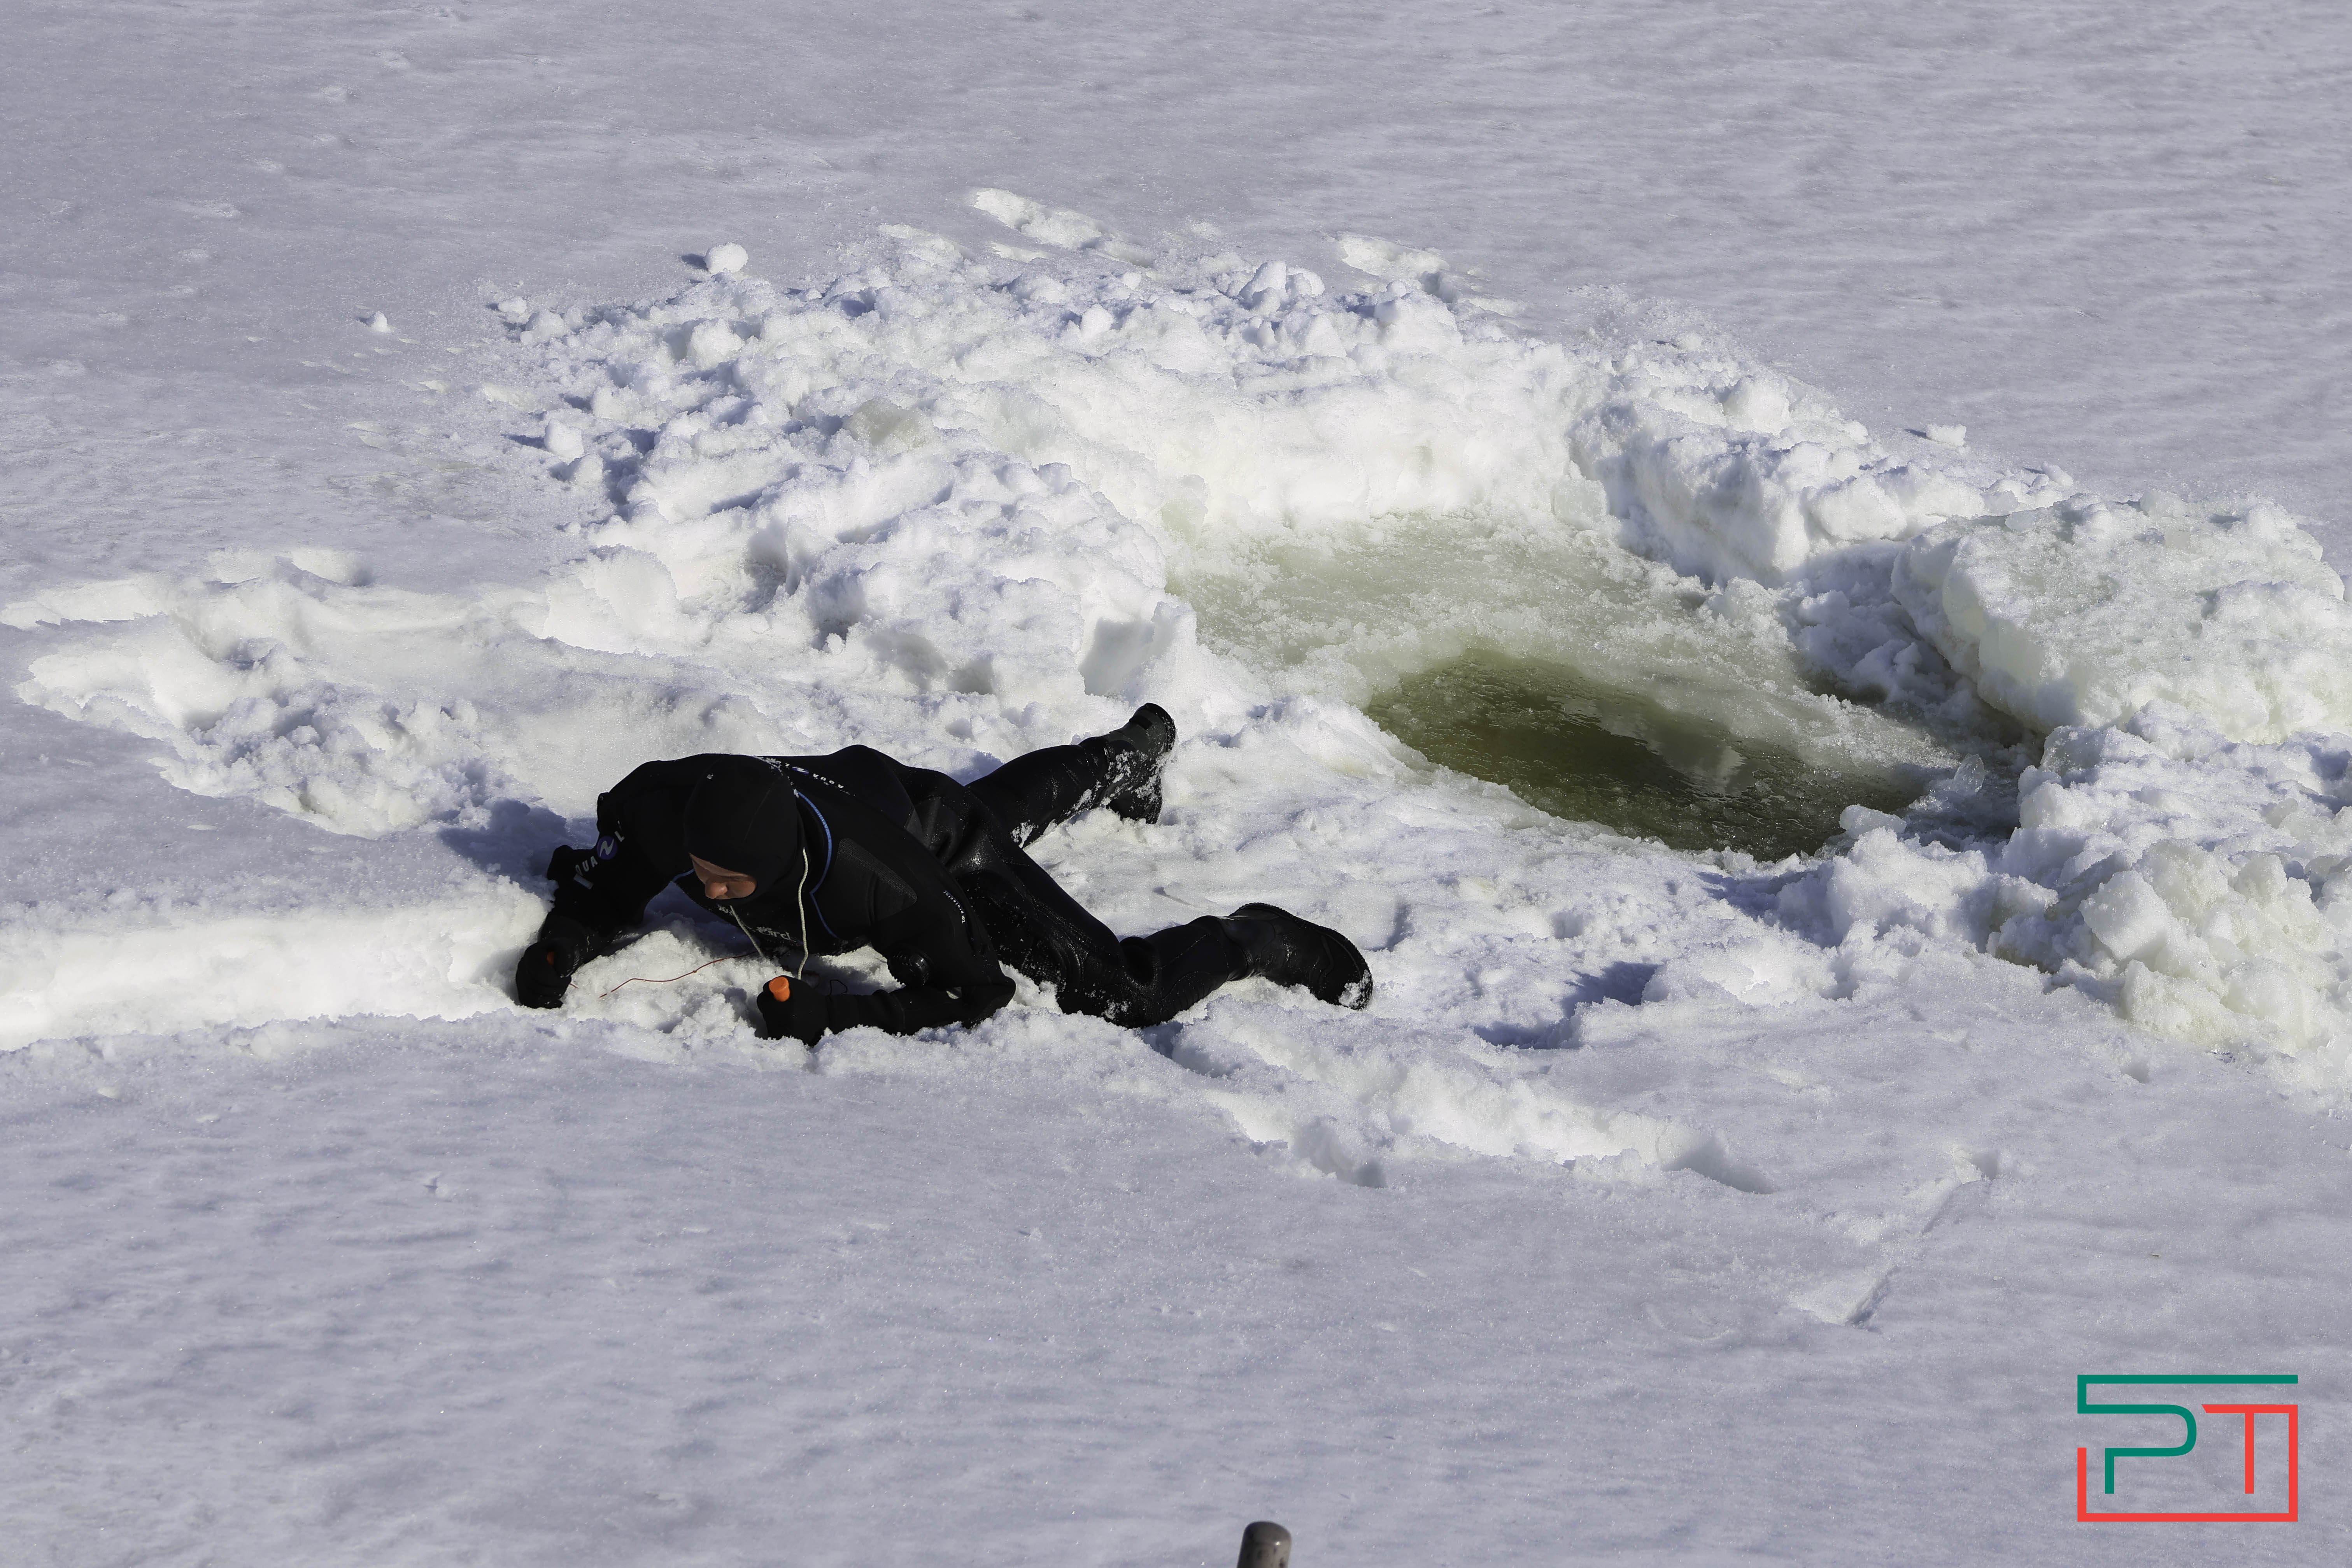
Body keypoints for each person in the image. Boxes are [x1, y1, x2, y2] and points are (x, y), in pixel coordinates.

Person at [514, 705, 1372, 1042]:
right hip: (872, 796)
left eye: (728, 886)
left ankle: (1250, 936)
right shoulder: (669, 812)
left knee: (1119, 993)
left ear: (775, 867)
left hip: (928, 840)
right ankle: (1128, 756)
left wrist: (834, 1015)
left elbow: (975, 991)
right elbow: (603, 888)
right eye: (698, 874)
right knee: (1000, 807)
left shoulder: (882, 886)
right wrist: (563, 943)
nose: (707, 894)